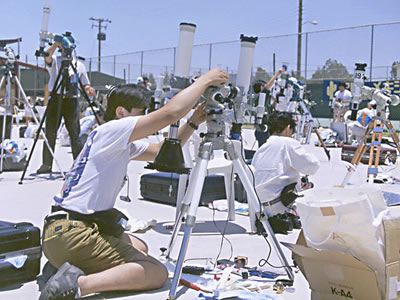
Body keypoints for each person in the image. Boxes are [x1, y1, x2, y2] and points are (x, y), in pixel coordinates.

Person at [39, 68, 229, 299]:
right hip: (73, 234)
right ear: (121, 112)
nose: (146, 119)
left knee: (140, 248)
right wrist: (205, 80)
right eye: (142, 113)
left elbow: (161, 150)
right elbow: (170, 114)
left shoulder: (111, 138)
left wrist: (193, 122)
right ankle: (75, 285)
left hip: (60, 233)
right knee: (156, 272)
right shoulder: (113, 130)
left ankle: (64, 264)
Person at [36, 32, 96, 174]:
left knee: (74, 133)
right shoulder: (56, 61)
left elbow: (85, 84)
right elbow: (47, 57)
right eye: (63, 48)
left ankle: (77, 164)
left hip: (71, 101)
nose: (66, 51)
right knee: (50, 132)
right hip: (56, 99)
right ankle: (46, 164)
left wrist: (89, 89)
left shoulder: (78, 65)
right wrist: (55, 44)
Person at [251, 111, 320, 217]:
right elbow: (313, 166)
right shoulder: (287, 143)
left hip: (259, 207)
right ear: (288, 128)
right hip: (280, 207)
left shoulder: (263, 148)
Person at [252, 67, 286, 147]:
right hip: (262, 129)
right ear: (261, 87)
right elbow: (267, 86)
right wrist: (277, 74)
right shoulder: (260, 96)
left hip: (266, 128)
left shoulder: (264, 101)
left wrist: (275, 99)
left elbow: (271, 108)